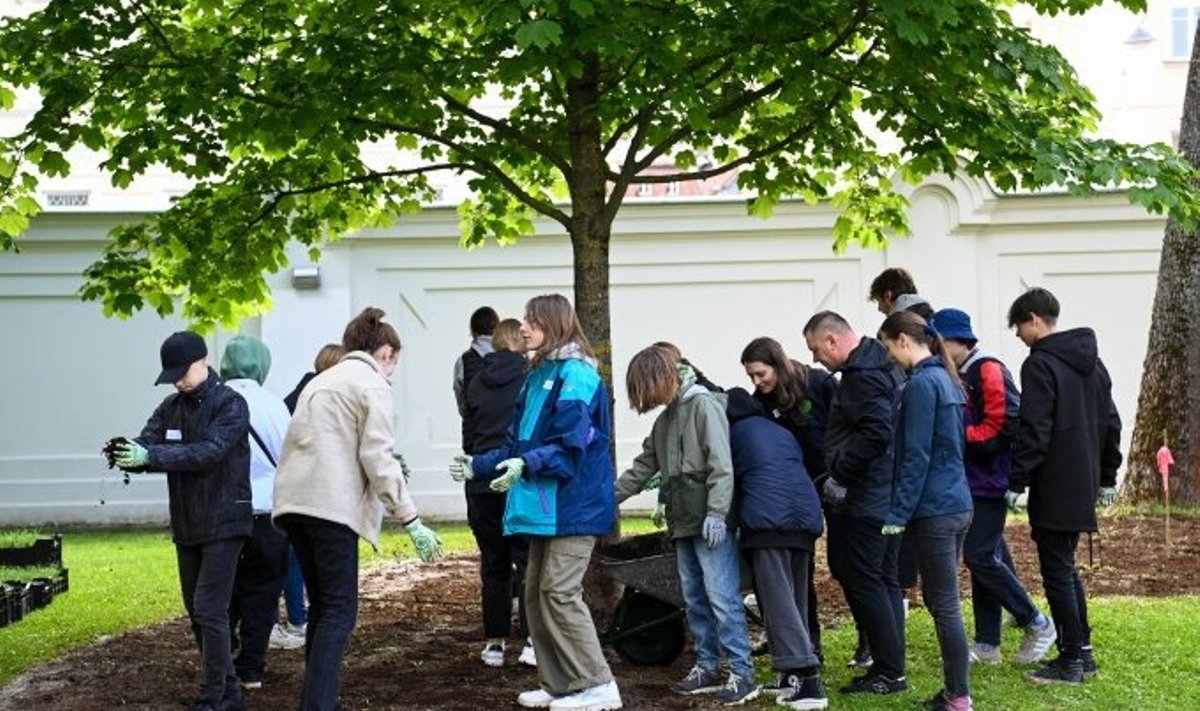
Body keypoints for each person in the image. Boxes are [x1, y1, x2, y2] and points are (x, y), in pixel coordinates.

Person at [449, 294, 620, 711]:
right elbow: (516, 443)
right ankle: (561, 684)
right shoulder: (537, 374)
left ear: (554, 325)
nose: (523, 327)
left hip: (573, 506)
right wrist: (480, 464)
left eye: (532, 321)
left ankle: (599, 684)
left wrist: (524, 464)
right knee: (534, 594)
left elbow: (569, 447)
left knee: (558, 593)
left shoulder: (577, 375)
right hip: (546, 507)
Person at [273, 307, 444, 711]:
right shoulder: (371, 384)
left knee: (322, 609)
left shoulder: (320, 381)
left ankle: (316, 701)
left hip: (292, 506)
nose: (393, 370)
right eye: (395, 361)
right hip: (331, 509)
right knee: (339, 610)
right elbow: (378, 458)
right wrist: (412, 519)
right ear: (385, 352)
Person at [110, 331, 253, 711]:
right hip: (188, 524)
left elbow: (210, 452)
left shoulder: (231, 405)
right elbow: (149, 442)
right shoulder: (171, 406)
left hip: (225, 520)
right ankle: (229, 692)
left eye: (181, 372)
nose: (176, 381)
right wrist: (130, 452)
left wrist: (152, 457)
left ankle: (213, 697)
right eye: (171, 374)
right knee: (197, 610)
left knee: (209, 608)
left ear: (202, 362)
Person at [614, 347, 759, 706]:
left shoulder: (704, 405)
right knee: (694, 599)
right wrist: (603, 500)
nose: (646, 400)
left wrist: (717, 513)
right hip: (683, 524)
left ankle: (743, 673)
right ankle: (707, 666)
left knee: (723, 598)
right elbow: (642, 468)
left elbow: (721, 464)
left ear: (662, 378)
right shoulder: (665, 420)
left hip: (710, 524)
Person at [1004, 288, 1121, 685]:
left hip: (1055, 482)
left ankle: (1070, 660)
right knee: (1065, 569)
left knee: (1057, 571)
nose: (1018, 335)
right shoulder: (1094, 362)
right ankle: (1082, 653)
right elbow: (1112, 422)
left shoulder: (1039, 364)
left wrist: (1018, 479)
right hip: (1083, 480)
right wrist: (1106, 474)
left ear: (1034, 319)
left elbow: (1035, 428)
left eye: (1018, 326)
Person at [930, 308, 1057, 667]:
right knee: (983, 558)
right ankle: (988, 644)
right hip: (970, 480)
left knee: (980, 555)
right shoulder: (959, 371)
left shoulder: (987, 368)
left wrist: (956, 438)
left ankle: (1037, 622)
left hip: (990, 480)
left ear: (955, 340)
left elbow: (1003, 426)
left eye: (939, 342)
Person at [802, 311, 907, 695]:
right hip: (884, 495)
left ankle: (889, 670)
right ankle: (889, 665)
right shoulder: (879, 365)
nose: (815, 359)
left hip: (867, 499)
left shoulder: (863, 376)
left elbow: (877, 432)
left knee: (862, 576)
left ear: (832, 340)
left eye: (815, 349)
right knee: (882, 579)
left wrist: (841, 476)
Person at [877, 311, 974, 711]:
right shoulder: (946, 379)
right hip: (957, 503)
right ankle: (955, 692)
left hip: (934, 510)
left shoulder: (920, 384)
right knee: (941, 601)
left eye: (887, 347)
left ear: (903, 340)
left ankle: (958, 697)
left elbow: (915, 456)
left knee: (945, 603)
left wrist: (897, 516)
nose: (888, 356)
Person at [738, 336, 840, 671]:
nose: (757, 382)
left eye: (760, 373)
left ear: (777, 363)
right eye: (750, 376)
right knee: (800, 577)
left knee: (846, 566)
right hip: (797, 491)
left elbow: (843, 423)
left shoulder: (818, 383)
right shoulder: (761, 402)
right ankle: (806, 643)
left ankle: (868, 642)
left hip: (837, 481)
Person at [724, 387, 827, 710]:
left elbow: (728, 480)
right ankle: (790, 676)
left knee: (777, 602)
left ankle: (809, 683)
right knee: (795, 597)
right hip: (804, 518)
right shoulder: (777, 429)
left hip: (769, 522)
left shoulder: (732, 433)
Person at [458, 318, 534, 668]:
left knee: (493, 564)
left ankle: (495, 644)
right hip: (515, 475)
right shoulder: (531, 379)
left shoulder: (475, 381)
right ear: (520, 341)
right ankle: (533, 640)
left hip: (480, 480)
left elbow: (469, 433)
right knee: (527, 559)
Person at [218, 335, 292, 690]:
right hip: (268, 514)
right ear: (262, 365)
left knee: (223, 591)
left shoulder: (212, 403)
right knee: (262, 594)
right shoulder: (275, 406)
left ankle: (223, 659)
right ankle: (252, 669)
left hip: (222, 516)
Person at [273, 343, 345, 651]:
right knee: (294, 560)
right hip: (308, 490)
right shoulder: (318, 397)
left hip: (289, 489)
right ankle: (299, 618)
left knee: (292, 557)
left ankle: (295, 617)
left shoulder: (298, 394)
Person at [454, 306, 499, 449]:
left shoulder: (463, 361)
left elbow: (461, 401)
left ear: (473, 331)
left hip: (475, 436)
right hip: (505, 438)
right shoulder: (512, 358)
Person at [868, 267, 933, 319]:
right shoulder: (931, 316)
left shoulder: (898, 326)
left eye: (879, 301)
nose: (879, 309)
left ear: (887, 296)